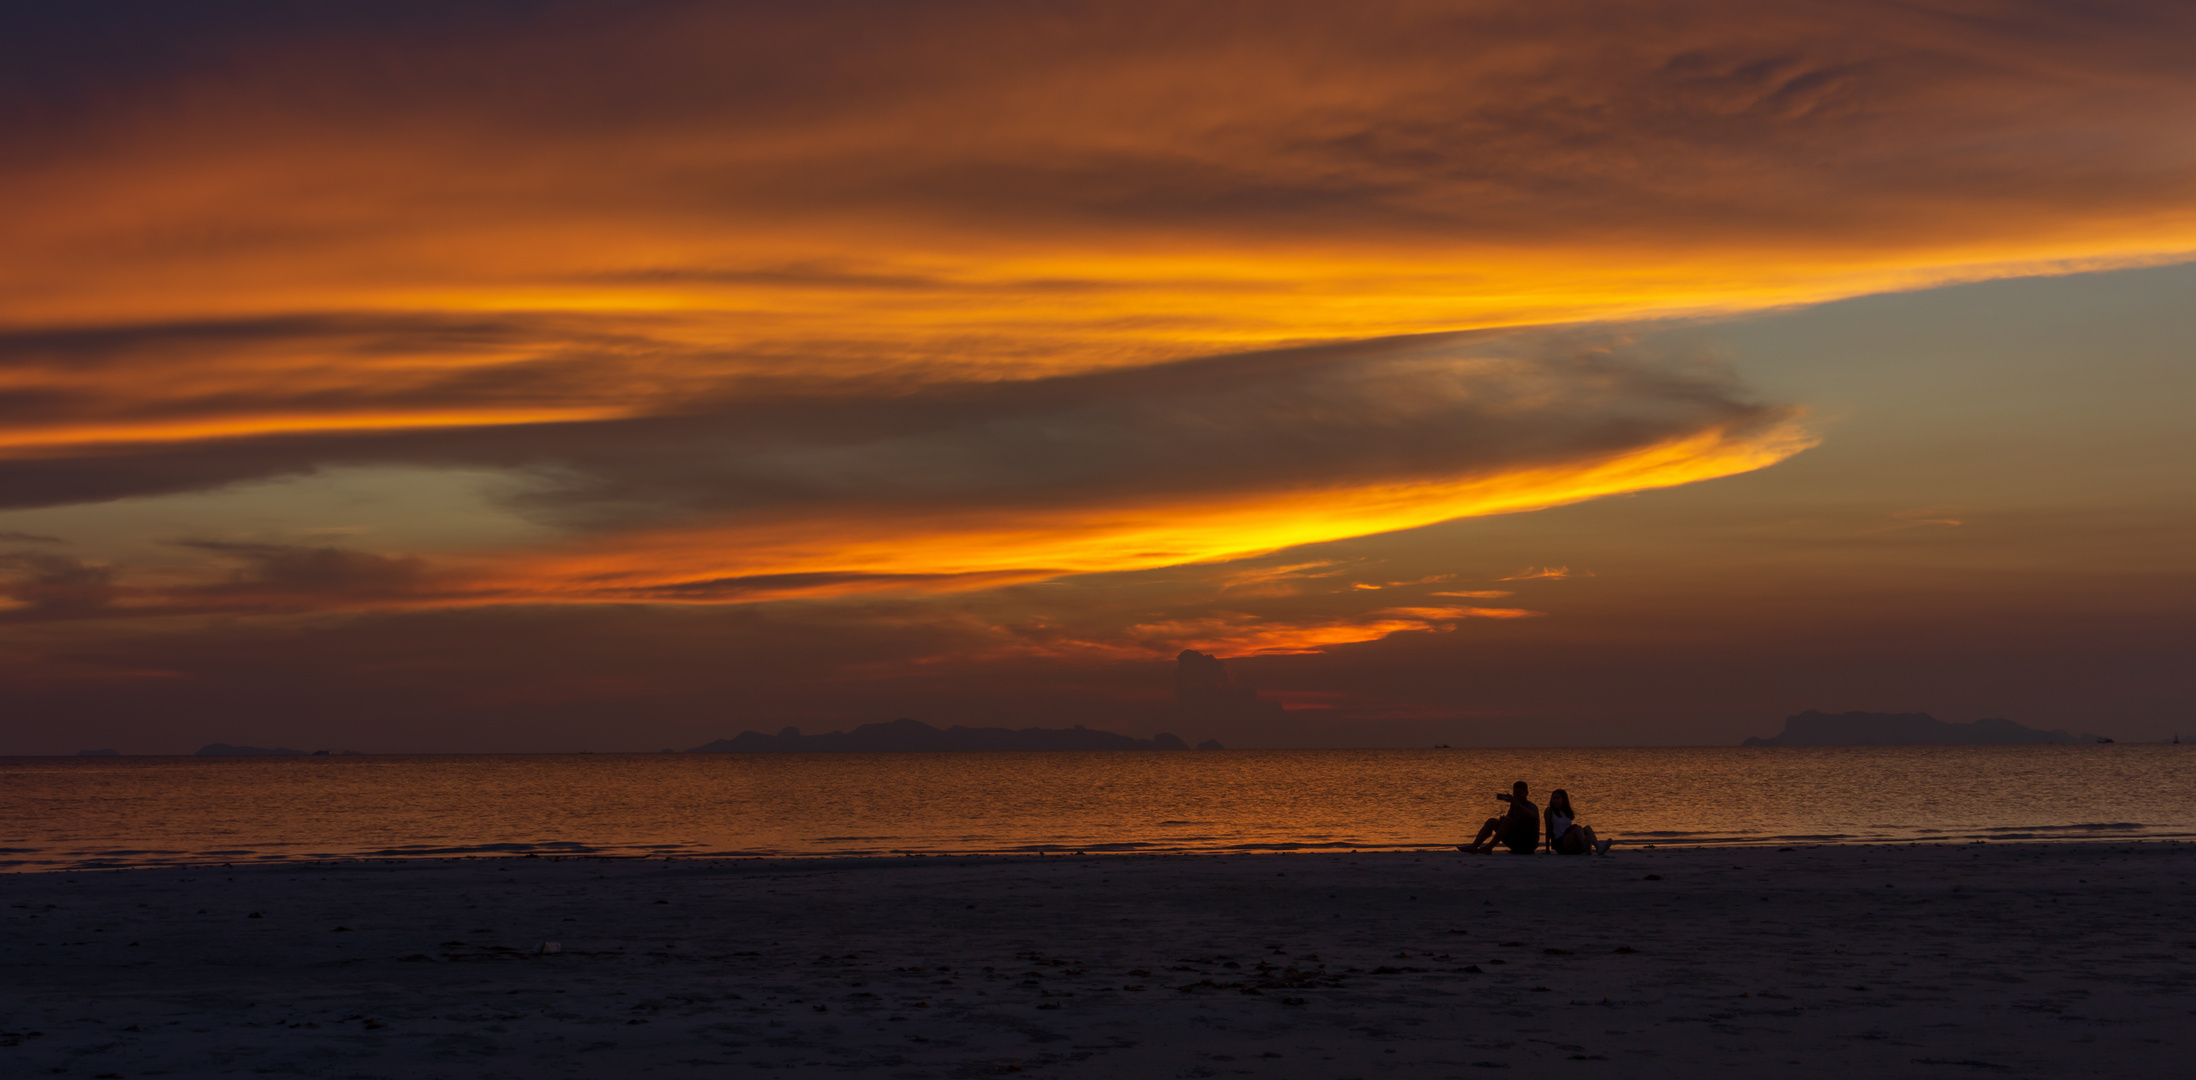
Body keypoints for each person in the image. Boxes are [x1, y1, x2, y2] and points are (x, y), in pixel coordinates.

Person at [1460, 780, 1539, 853]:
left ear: (1526, 793)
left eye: (1520, 793)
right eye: (1515, 793)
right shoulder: (1513, 806)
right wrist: (1503, 821)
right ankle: (1474, 846)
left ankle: (1489, 847)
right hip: (1515, 840)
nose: (1517, 795)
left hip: (1527, 844)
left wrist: (1517, 806)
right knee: (1492, 821)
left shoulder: (1531, 806)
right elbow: (1510, 820)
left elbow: (1532, 815)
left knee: (1507, 821)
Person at [1543, 789, 1613, 855]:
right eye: (1553, 798)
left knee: (1587, 828)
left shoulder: (1567, 812)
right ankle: (1586, 846)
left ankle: (1598, 848)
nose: (1555, 801)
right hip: (1561, 843)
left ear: (1563, 800)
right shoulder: (1549, 811)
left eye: (1558, 798)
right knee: (1578, 828)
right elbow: (1548, 829)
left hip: (1571, 842)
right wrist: (1547, 850)